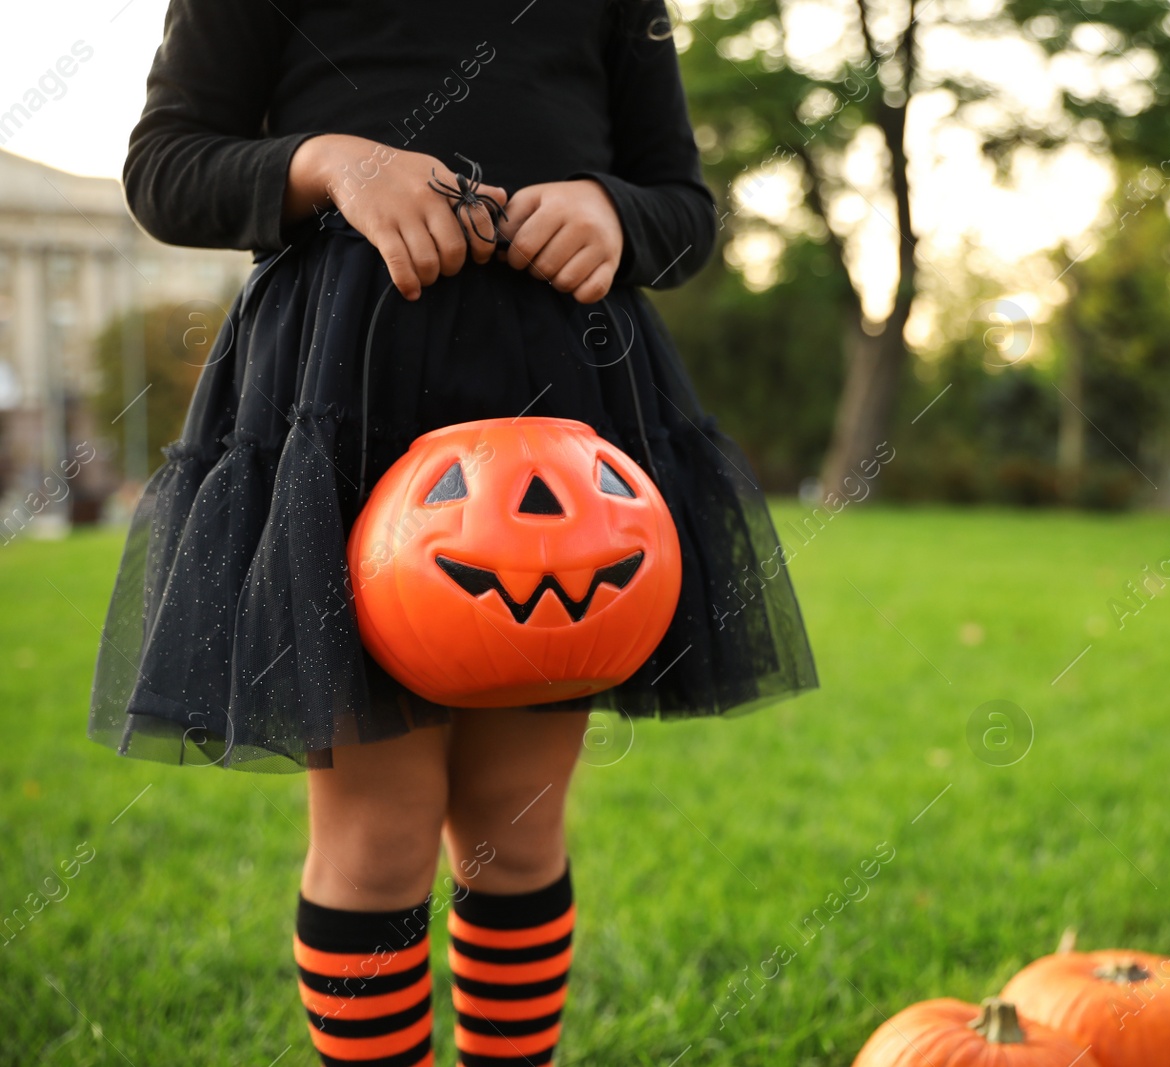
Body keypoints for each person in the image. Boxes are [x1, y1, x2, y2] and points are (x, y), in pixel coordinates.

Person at [87, 1, 818, 1063]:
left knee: (512, 834)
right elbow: (165, 168)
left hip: (561, 417)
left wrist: (616, 212)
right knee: (376, 840)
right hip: (348, 401)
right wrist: (334, 165)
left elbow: (682, 203)